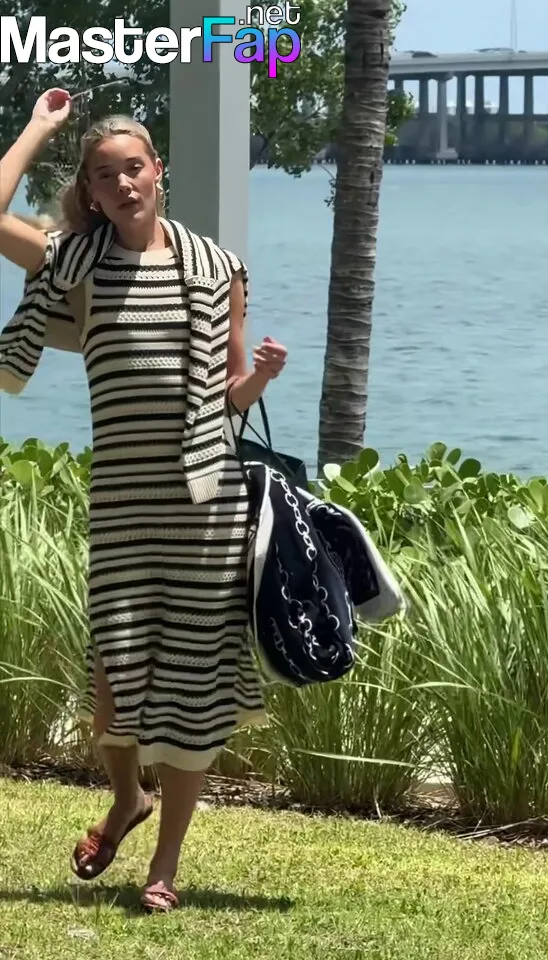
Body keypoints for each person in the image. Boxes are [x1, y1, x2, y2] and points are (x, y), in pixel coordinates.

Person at [0, 87, 288, 912]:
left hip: (205, 502)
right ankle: (128, 797)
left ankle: (165, 864)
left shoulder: (218, 268)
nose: (123, 183)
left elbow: (230, 395)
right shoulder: (74, 263)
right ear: (90, 193)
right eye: (105, 175)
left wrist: (261, 379)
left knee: (195, 683)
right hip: (125, 507)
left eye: (134, 168)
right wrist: (39, 127)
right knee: (113, 682)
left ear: (159, 172)